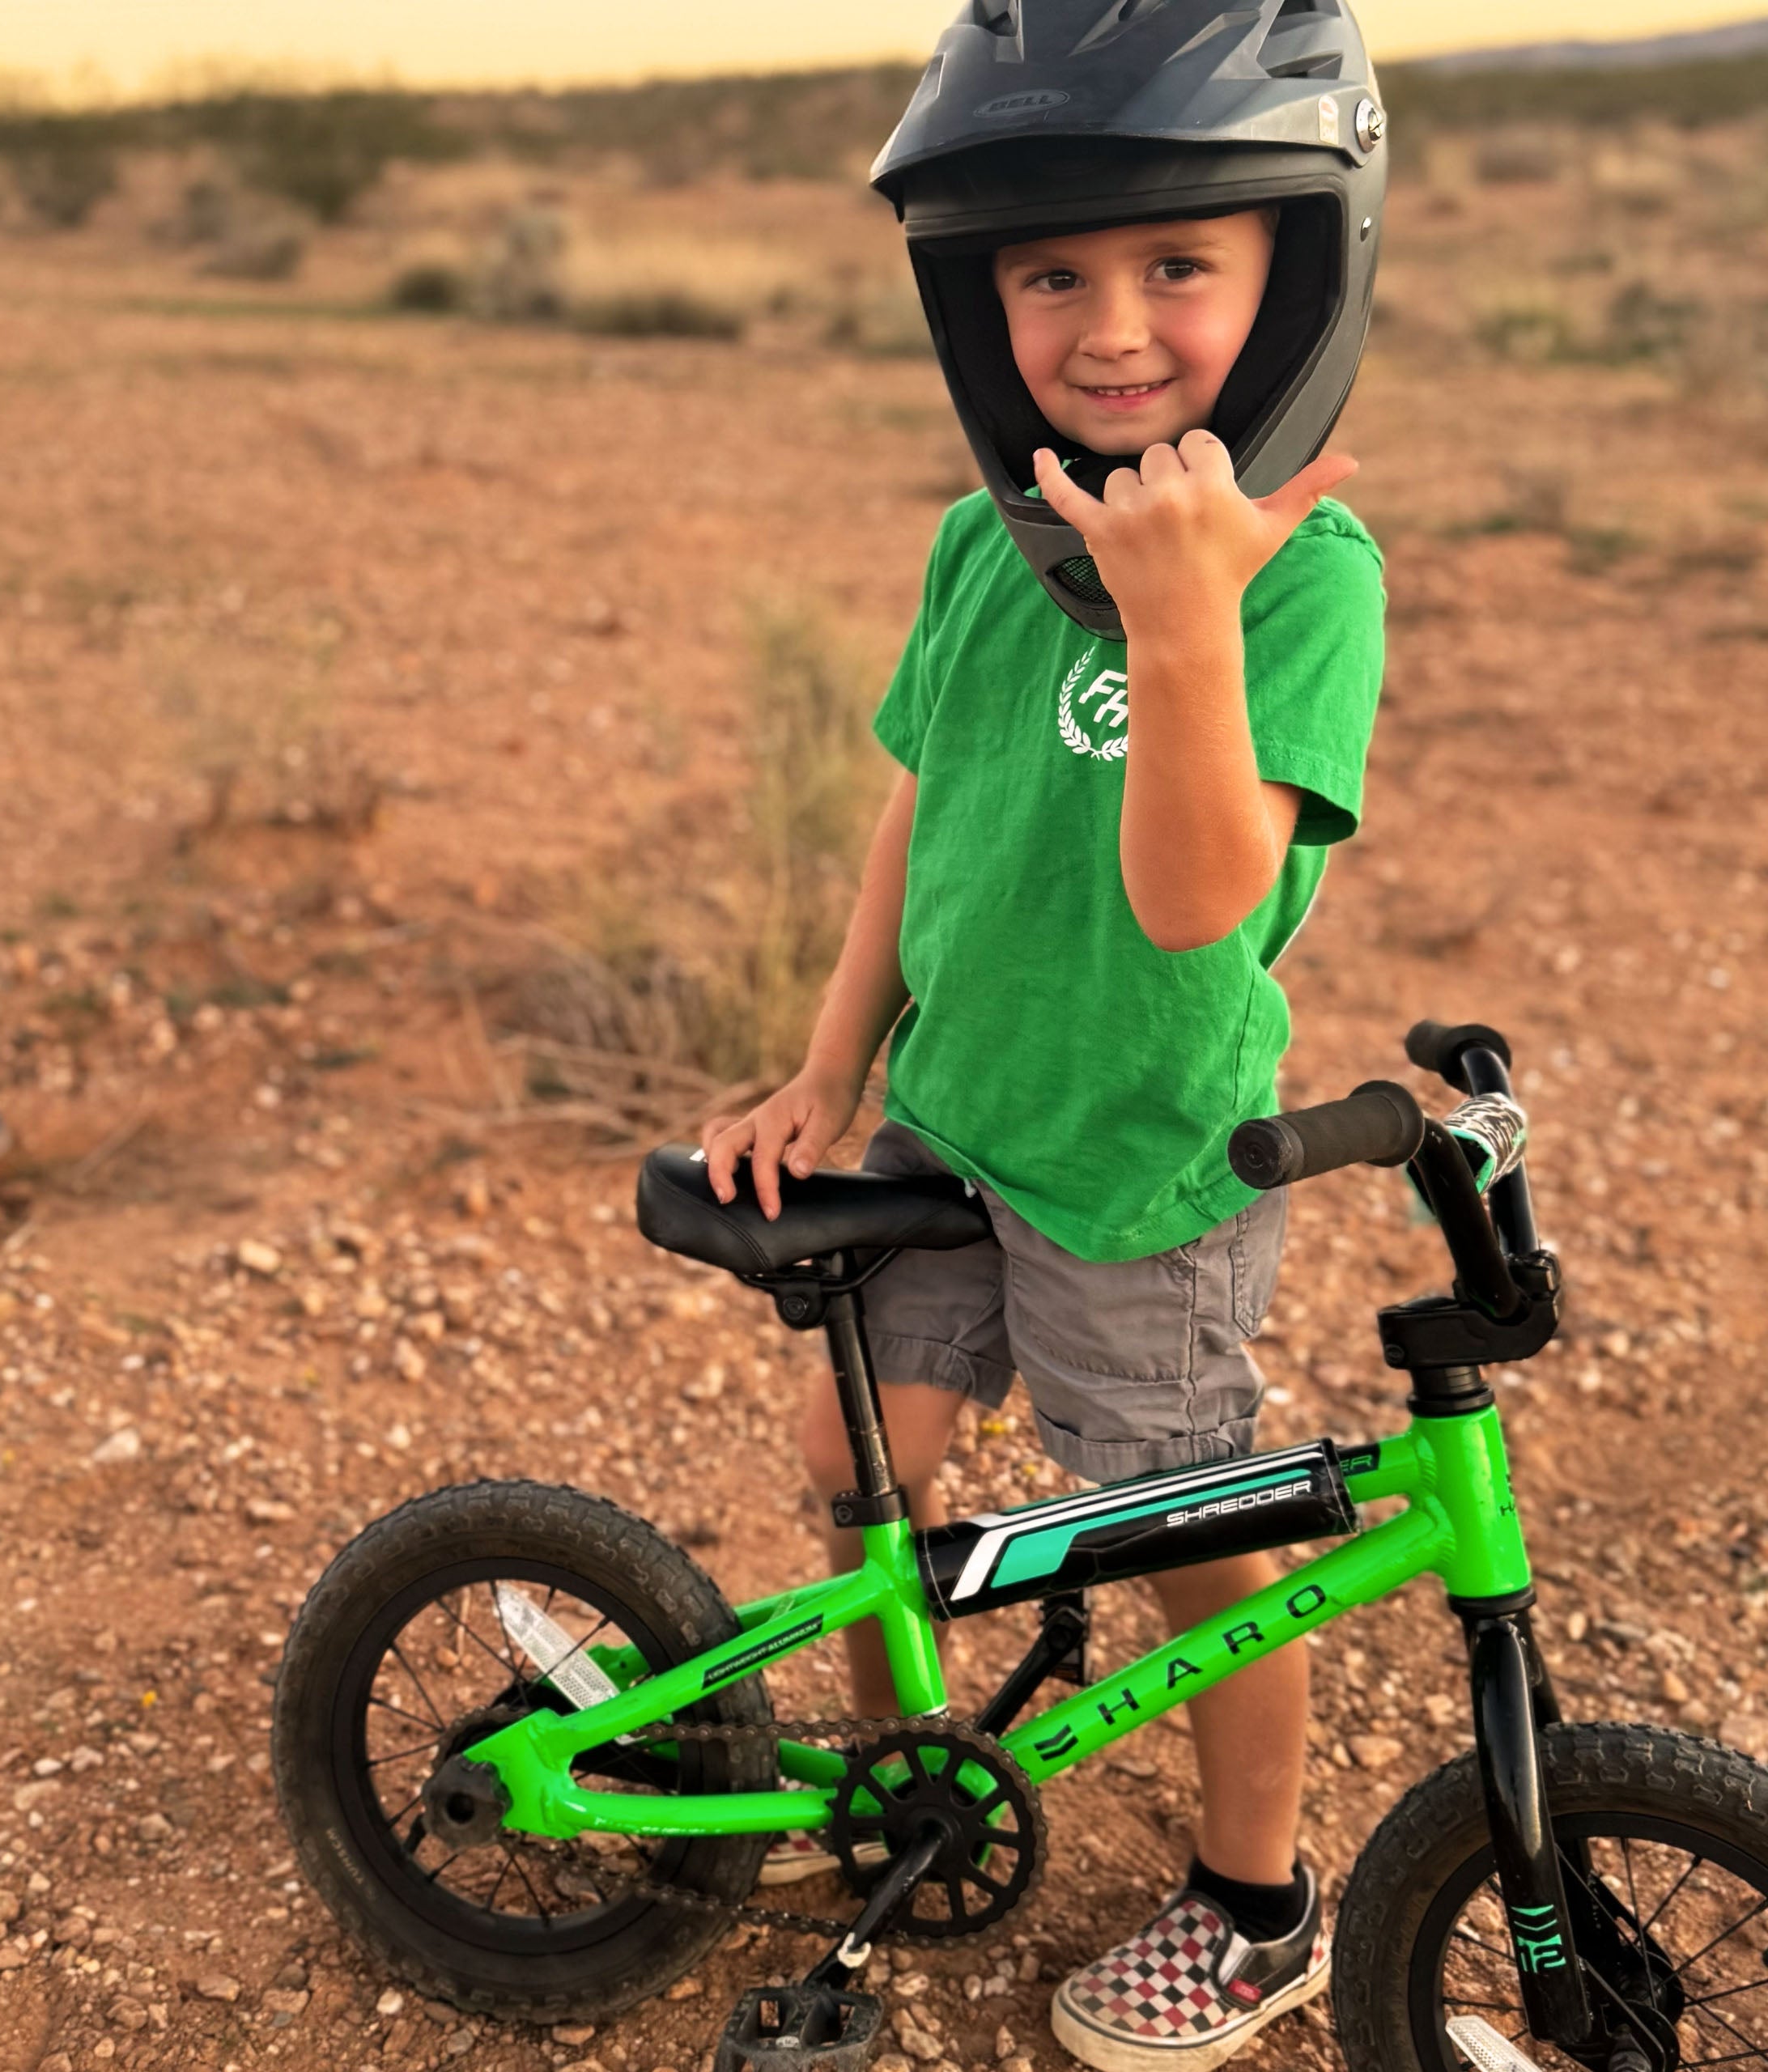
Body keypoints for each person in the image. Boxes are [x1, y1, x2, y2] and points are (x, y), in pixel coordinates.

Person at [700, 5, 1390, 2066]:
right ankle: (898, 1782)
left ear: (1291, 277)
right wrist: (834, 1060)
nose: (1109, 326)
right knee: (848, 1458)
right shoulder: (979, 547)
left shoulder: (1306, 586)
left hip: (1135, 1168)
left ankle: (1255, 1897)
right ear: (970, 295)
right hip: (950, 1117)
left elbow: (1196, 896)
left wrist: (1179, 611)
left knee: (1205, 1540)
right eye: (1049, 273)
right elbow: (920, 803)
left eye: (1177, 262)